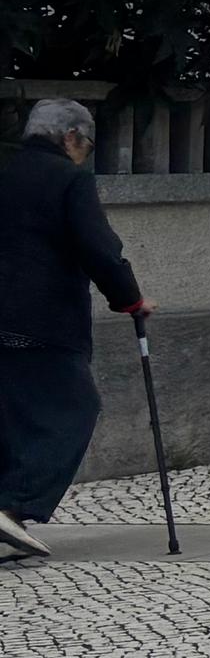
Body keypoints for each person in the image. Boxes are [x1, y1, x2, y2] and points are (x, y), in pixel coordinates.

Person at [1, 98, 148, 558]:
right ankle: (13, 506)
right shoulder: (70, 179)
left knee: (11, 414)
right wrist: (131, 300)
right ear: (70, 138)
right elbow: (99, 248)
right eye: (86, 143)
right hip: (43, 321)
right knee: (75, 407)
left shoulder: (4, 173)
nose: (85, 152)